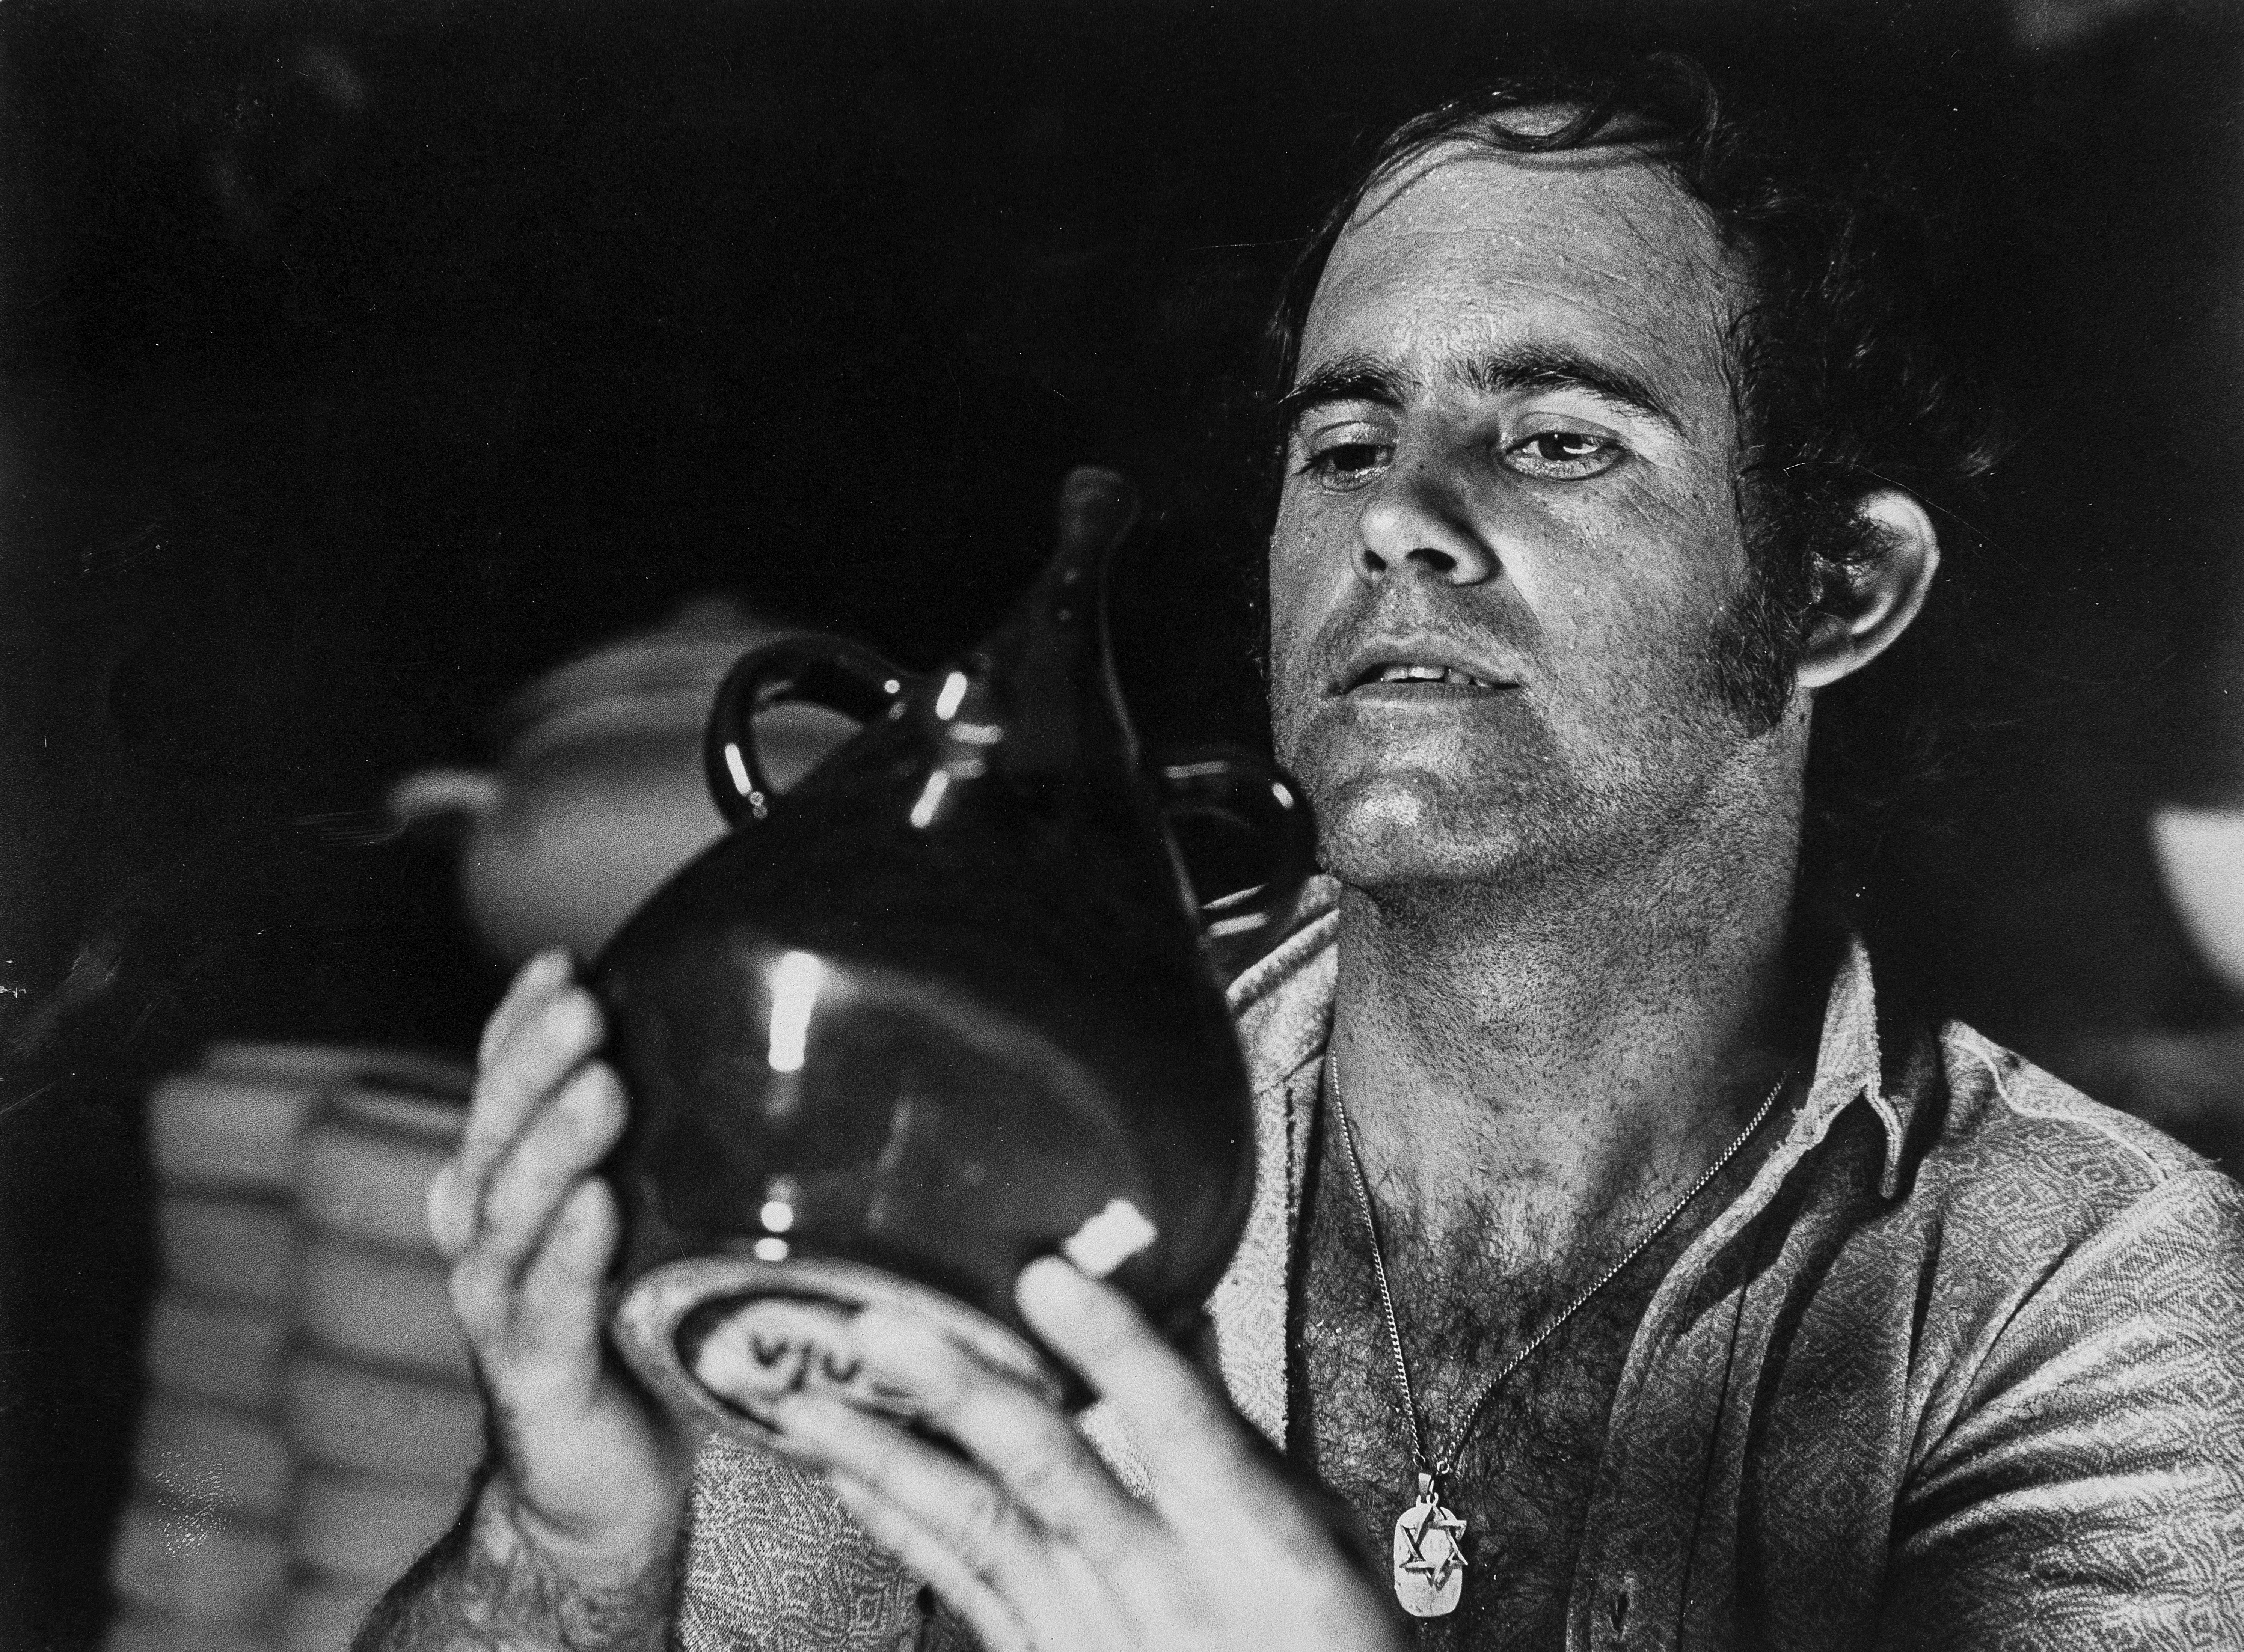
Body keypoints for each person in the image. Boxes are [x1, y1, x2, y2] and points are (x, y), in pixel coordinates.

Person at [360, 56, 2244, 1652]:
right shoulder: (981, 1125)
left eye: (1559, 437)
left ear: (1839, 584)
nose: (1404, 520)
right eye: (1345, 442)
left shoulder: (2086, 1284)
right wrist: (575, 1546)